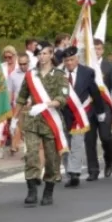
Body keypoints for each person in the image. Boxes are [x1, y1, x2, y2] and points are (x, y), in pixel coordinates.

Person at [16, 41, 68, 207]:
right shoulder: (31, 75)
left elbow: (63, 98)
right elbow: (22, 97)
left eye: (45, 53)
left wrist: (47, 104)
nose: (42, 56)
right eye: (39, 54)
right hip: (33, 120)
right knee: (31, 154)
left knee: (52, 159)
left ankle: (48, 190)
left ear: (51, 54)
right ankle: (31, 190)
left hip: (51, 120)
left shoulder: (59, 75)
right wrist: (14, 118)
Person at [60, 45, 105, 188]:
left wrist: (100, 111)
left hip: (81, 114)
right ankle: (69, 173)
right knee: (65, 145)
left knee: (77, 144)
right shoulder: (58, 74)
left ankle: (74, 173)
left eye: (72, 60)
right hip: (63, 115)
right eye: (66, 60)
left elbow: (94, 92)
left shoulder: (87, 72)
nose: (69, 63)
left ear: (77, 59)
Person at [85, 39, 112, 179]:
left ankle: (109, 160)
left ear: (102, 50)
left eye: (99, 49)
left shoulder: (109, 67)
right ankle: (93, 170)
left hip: (104, 106)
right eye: (94, 49)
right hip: (89, 106)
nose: (96, 52)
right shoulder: (85, 65)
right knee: (89, 139)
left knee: (105, 136)